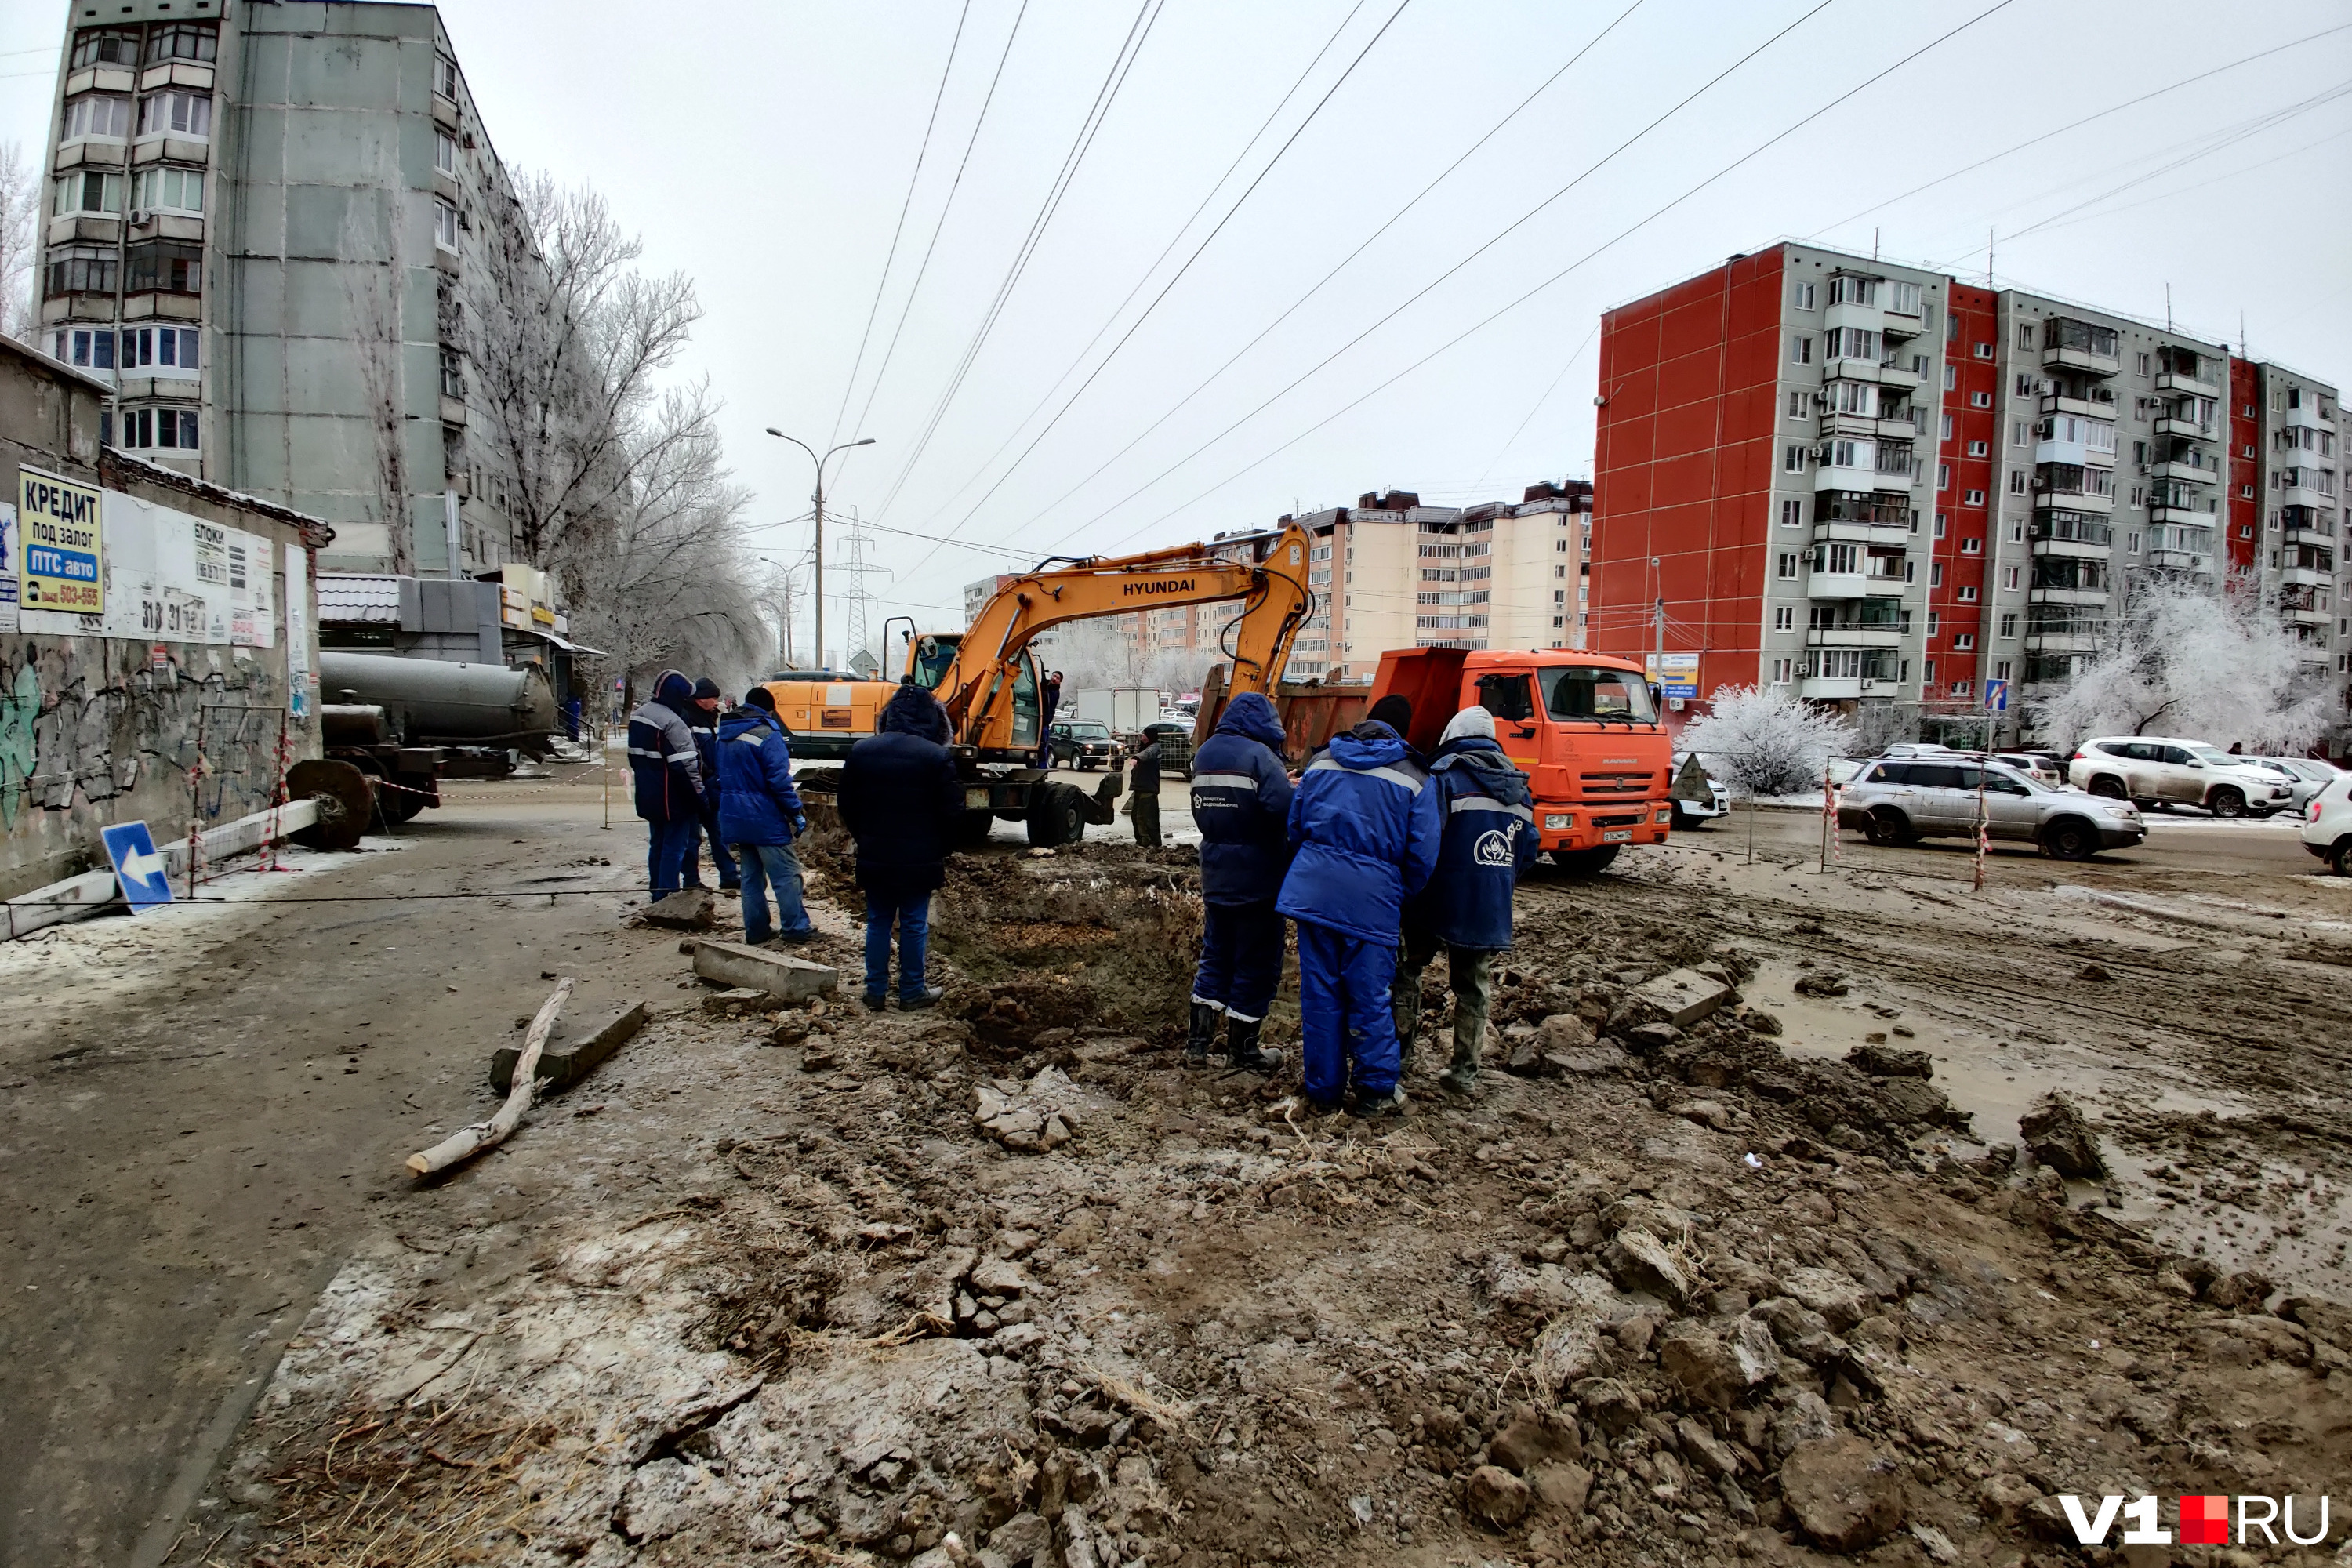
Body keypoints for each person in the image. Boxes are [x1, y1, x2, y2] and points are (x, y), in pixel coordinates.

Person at [1276, 706, 1442, 1116]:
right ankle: (1373, 1093)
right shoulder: (1416, 777)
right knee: (1370, 996)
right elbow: (1423, 856)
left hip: (1314, 896)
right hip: (1373, 903)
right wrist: (1391, 892)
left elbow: (1295, 827)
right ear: (1399, 733)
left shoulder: (1321, 762)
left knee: (1321, 995)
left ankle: (1323, 1092)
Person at [1392, 706, 1541, 1094]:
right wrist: (1498, 885)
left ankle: (1400, 1059)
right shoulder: (1520, 789)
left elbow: (1424, 840)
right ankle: (1464, 1073)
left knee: (1407, 972)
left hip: (1433, 900)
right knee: (1473, 987)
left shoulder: (1444, 779)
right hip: (1486, 906)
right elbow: (1527, 850)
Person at [840, 682, 964, 1010]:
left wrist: (865, 837)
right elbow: (953, 813)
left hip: (875, 855)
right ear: (932, 720)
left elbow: (847, 806)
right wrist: (940, 848)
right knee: (913, 923)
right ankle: (912, 991)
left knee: (878, 921)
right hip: (919, 858)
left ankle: (875, 991)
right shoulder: (936, 757)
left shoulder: (863, 752)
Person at [1186, 691, 1291, 1072]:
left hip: (1216, 873)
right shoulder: (1261, 758)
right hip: (1257, 878)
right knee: (1255, 962)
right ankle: (1243, 1050)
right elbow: (1282, 809)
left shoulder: (1206, 753)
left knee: (1215, 956)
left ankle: (1197, 1047)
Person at [717, 686, 813, 946]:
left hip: (734, 815)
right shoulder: (767, 735)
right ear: (769, 709)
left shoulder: (725, 734)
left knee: (750, 877)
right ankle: (795, 928)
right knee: (786, 875)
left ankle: (756, 930)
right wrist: (795, 811)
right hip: (763, 818)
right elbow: (779, 780)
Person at [627, 669, 705, 897]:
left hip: (648, 792)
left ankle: (657, 890)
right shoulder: (672, 722)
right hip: (673, 797)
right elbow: (685, 766)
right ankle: (668, 894)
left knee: (658, 844)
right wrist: (700, 797)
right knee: (675, 846)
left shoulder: (640, 714)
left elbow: (634, 758)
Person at [681, 678, 738, 891]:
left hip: (711, 785)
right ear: (700, 699)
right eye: (713, 699)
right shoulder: (688, 720)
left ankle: (729, 875)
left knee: (719, 833)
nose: (716, 702)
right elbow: (692, 754)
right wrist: (707, 773)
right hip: (696, 786)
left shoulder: (708, 719)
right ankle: (691, 880)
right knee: (693, 837)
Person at [1128, 731, 1163, 847]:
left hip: (1148, 788)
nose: (1141, 737)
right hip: (1139, 788)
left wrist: (1136, 759)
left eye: (1144, 734)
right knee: (1136, 816)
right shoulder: (1143, 747)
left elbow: (1147, 754)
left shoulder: (1154, 748)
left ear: (1149, 737)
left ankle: (1154, 841)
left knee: (1149, 817)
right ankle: (1142, 840)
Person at [1036, 670, 1065, 769]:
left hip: (1045, 720)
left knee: (1043, 744)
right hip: (1037, 717)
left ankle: (1042, 766)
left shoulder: (1055, 692)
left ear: (1059, 682)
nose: (1055, 678)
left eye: (1057, 678)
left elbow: (1044, 698)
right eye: (1054, 676)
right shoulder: (1045, 684)